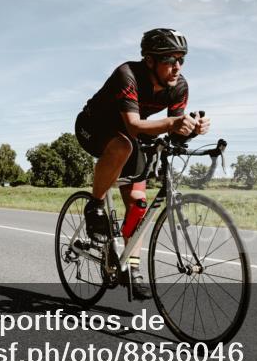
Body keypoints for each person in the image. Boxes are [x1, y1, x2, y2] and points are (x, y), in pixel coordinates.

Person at [75, 28, 210, 299]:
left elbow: (174, 129)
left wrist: (192, 129)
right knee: (123, 143)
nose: (177, 67)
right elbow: (134, 126)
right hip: (94, 127)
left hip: (128, 136)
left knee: (138, 202)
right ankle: (95, 205)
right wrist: (172, 123)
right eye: (170, 60)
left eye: (181, 59)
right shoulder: (127, 74)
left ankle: (129, 268)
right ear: (150, 61)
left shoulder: (179, 87)